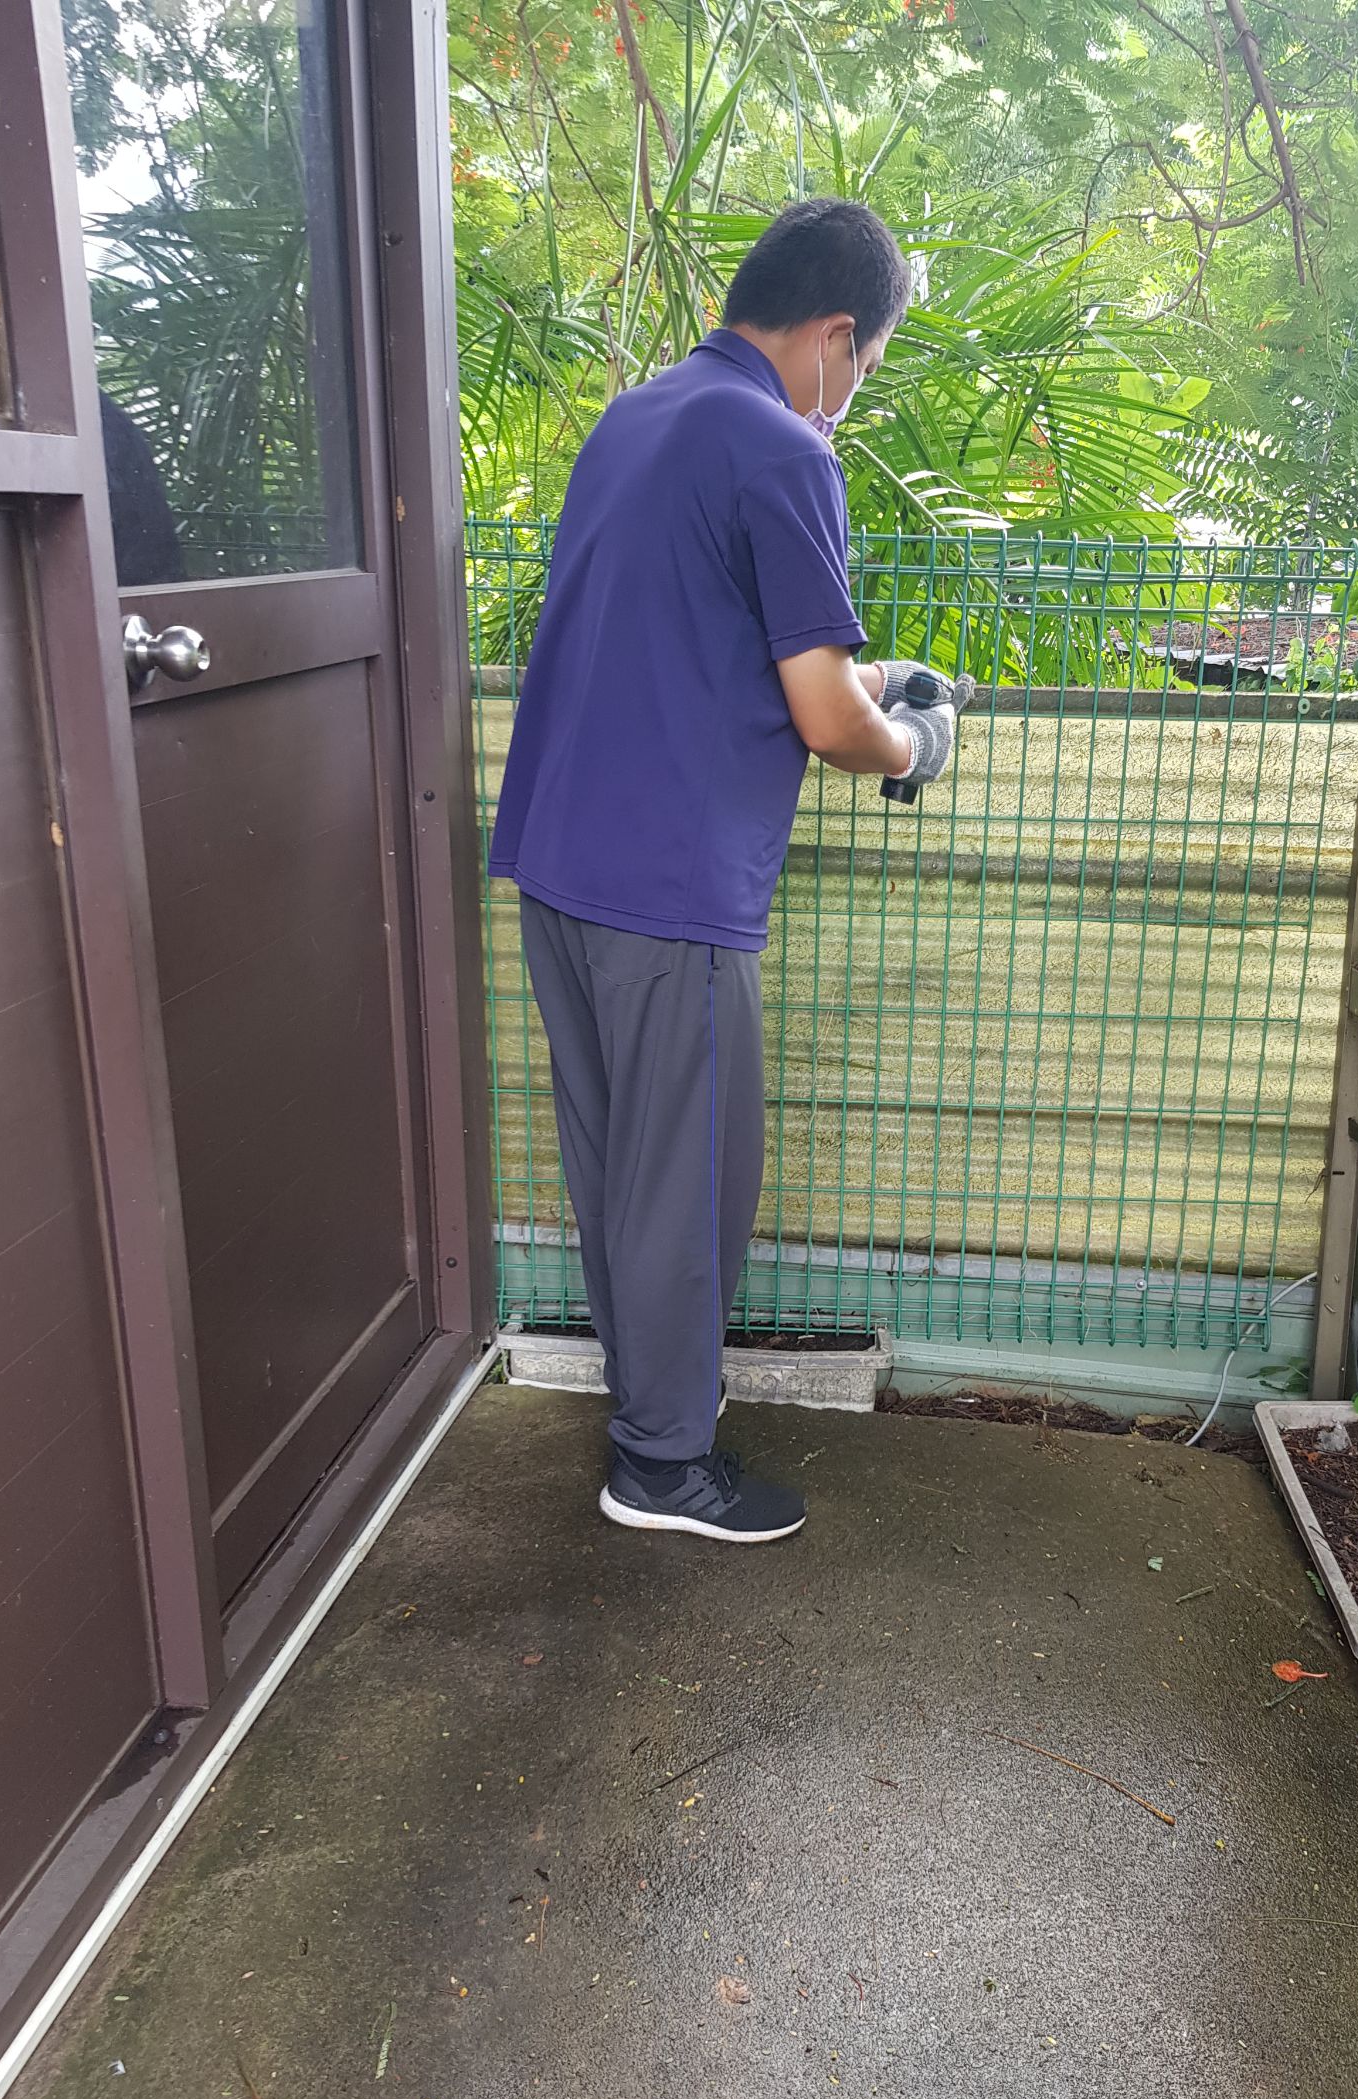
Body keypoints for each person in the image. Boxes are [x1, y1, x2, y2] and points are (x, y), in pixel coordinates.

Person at [488, 198, 971, 1545]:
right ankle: (660, 1467)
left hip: (562, 865)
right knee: (689, 1184)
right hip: (670, 891)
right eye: (864, 364)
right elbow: (825, 719)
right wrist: (915, 743)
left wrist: (873, 675)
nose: (851, 392)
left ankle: (648, 1419)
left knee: (619, 1173)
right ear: (834, 334)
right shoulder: (779, 444)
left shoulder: (637, 418)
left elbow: (712, 641)